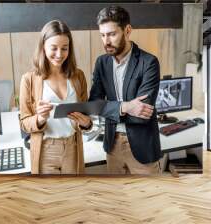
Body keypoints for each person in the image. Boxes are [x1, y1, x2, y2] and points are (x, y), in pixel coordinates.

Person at [89, 6, 162, 174]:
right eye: (102, 35)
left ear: (127, 30)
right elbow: (94, 104)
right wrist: (126, 107)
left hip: (142, 147)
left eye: (112, 34)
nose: (106, 41)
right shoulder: (102, 63)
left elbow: (143, 114)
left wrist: (109, 109)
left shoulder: (148, 62)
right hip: (112, 145)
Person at [19, 20, 92, 174]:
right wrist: (39, 118)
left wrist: (86, 123)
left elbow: (85, 114)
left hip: (73, 147)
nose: (59, 54)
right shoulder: (29, 79)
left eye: (64, 48)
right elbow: (24, 123)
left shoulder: (78, 76)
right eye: (54, 48)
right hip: (46, 150)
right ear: (43, 47)